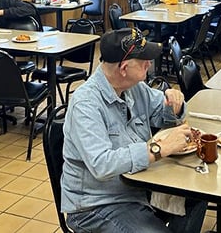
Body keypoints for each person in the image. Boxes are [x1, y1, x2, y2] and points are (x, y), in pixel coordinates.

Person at [61, 28, 207, 232]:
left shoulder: (133, 85)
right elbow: (101, 164)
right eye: (144, 60)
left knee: (198, 195)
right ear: (123, 68)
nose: (150, 63)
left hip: (139, 188)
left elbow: (160, 112)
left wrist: (175, 104)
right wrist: (159, 149)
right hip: (98, 206)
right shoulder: (85, 105)